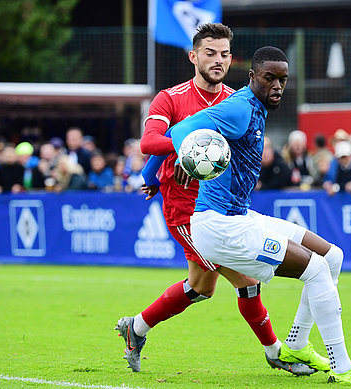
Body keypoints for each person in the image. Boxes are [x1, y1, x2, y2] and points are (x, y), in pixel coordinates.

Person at [138, 46, 351, 385]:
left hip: (239, 216)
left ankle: (297, 345)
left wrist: (152, 175)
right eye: (269, 78)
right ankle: (342, 367)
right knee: (313, 271)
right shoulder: (240, 107)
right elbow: (178, 130)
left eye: (283, 80)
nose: (277, 86)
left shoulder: (254, 106)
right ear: (252, 77)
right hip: (218, 225)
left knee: (331, 257)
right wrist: (176, 161)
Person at [116, 25, 319, 377]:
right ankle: (276, 353)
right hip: (186, 209)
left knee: (201, 287)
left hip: (224, 207)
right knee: (245, 279)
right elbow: (150, 143)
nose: (218, 60)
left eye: (225, 54)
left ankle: (136, 327)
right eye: (210, 52)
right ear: (193, 56)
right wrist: (174, 159)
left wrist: (178, 158)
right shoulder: (171, 98)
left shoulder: (236, 100)